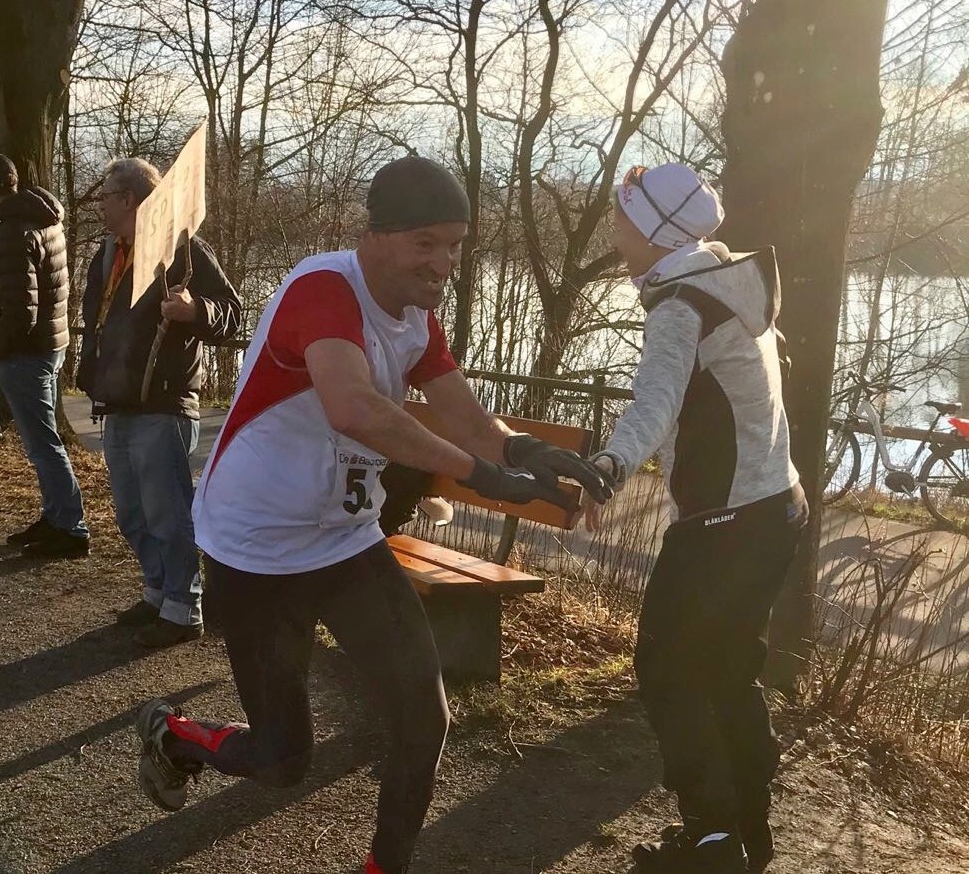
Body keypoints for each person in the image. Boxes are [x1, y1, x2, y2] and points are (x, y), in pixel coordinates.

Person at [132, 156, 613, 874]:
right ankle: (171, 734)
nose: (444, 262)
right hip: (256, 547)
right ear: (378, 235)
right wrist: (479, 474)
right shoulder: (324, 289)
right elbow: (353, 407)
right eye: (427, 243)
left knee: (425, 720)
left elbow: (466, 418)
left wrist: (522, 449)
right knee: (280, 759)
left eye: (454, 244)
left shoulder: (418, 316)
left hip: (343, 542)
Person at [583, 163, 806, 874]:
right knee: (724, 670)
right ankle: (745, 831)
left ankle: (711, 841)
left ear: (654, 230)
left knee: (669, 671)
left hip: (726, 525)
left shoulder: (682, 306)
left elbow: (652, 405)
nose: (614, 231)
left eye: (621, 219)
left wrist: (607, 468)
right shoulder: (729, 281)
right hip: (777, 507)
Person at [78, 158, 242, 647]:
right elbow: (98, 322)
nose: (101, 204)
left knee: (168, 513)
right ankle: (157, 592)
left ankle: (183, 606)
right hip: (118, 402)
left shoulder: (182, 248)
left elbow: (232, 313)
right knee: (132, 512)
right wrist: (91, 375)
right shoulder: (108, 253)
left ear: (128, 199)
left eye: (106, 195)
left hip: (164, 404)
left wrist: (195, 310)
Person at [0, 152, 89, 558]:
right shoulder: (43, 218)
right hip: (50, 345)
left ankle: (70, 528)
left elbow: (21, 309)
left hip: (25, 352)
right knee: (44, 441)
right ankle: (57, 517)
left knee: (42, 444)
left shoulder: (10, 231)